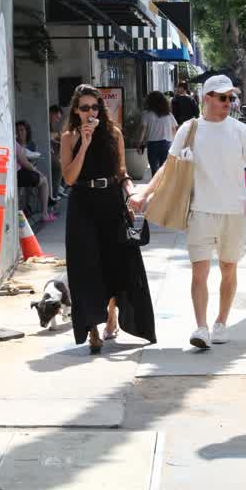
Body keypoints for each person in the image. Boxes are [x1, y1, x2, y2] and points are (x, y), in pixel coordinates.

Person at [130, 75, 246, 349]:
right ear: (207, 98)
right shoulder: (189, 129)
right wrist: (144, 193)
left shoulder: (240, 130)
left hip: (233, 212)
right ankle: (201, 327)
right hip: (199, 211)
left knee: (228, 268)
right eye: (222, 97)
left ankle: (221, 322)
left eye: (231, 98)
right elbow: (168, 168)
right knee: (200, 271)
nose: (228, 102)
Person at [61, 83, 156, 354]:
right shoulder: (69, 137)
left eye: (95, 107)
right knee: (86, 265)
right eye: (84, 108)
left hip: (111, 201)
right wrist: (84, 144)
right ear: (76, 111)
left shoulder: (114, 133)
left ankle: (112, 313)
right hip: (82, 204)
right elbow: (69, 178)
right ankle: (92, 327)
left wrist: (132, 193)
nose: (90, 112)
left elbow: (122, 172)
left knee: (115, 261)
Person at [137, 91, 178, 177]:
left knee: (154, 169)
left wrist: (139, 143)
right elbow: (174, 129)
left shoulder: (146, 114)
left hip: (152, 143)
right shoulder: (168, 114)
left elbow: (143, 129)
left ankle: (155, 184)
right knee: (164, 169)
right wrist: (173, 142)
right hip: (166, 143)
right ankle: (163, 184)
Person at [16, 141, 56, 223]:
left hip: (12, 175)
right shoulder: (14, 144)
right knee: (44, 180)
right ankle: (45, 214)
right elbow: (25, 163)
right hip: (18, 174)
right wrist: (36, 171)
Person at [49, 105, 65, 199]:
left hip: (53, 152)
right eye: (57, 117)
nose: (57, 120)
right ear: (51, 113)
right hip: (45, 152)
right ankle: (54, 195)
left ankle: (60, 188)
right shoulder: (44, 122)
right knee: (58, 166)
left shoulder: (53, 126)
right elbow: (48, 138)